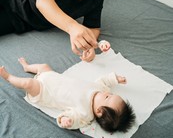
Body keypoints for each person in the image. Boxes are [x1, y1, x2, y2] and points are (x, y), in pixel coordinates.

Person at [0, 55, 135, 133]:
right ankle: (27, 67)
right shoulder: (100, 89)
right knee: (44, 66)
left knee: (28, 83)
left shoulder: (85, 113)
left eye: (108, 97)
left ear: (99, 111)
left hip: (44, 91)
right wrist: (115, 78)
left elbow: (74, 119)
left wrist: (67, 121)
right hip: (52, 77)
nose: (108, 93)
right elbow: (104, 81)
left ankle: (8, 77)